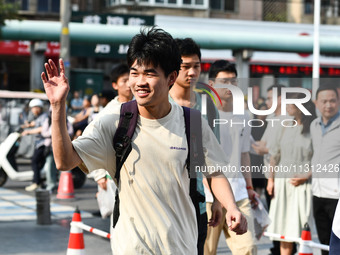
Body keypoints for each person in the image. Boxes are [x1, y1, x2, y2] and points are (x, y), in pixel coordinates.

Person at [41, 27, 247, 254]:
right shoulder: (113, 123)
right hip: (132, 248)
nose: (140, 82)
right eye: (134, 73)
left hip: (180, 247)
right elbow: (64, 161)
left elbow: (215, 172)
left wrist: (230, 207)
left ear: (170, 78)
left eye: (149, 74)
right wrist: (57, 106)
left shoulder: (192, 123)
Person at [169, 38, 222, 255]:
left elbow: (214, 159)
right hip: (164, 205)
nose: (192, 72)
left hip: (196, 205)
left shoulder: (208, 107)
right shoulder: (159, 104)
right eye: (185, 67)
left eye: (196, 66)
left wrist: (218, 201)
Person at [204, 59, 258, 255]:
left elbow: (244, 154)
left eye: (234, 81)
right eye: (224, 81)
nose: (230, 86)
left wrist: (250, 188)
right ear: (211, 84)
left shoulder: (244, 115)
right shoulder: (202, 115)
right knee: (205, 251)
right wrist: (211, 194)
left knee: (248, 249)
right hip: (209, 197)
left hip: (239, 194)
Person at [267, 93, 316, 255]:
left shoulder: (314, 127)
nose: (287, 107)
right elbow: (275, 155)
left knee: (303, 230)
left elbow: (319, 159)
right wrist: (271, 180)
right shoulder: (283, 125)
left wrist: (306, 176)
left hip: (303, 184)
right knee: (284, 230)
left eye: (291, 104)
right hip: (282, 182)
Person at [93, 62, 133, 250]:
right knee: (120, 222)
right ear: (115, 85)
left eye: (130, 79)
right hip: (115, 174)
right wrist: (99, 174)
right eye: (124, 80)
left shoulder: (144, 105)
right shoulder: (109, 112)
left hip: (139, 173)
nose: (129, 84)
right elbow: (96, 142)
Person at [310, 86, 340, 255]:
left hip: (337, 196)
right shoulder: (314, 125)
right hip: (318, 193)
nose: (328, 105)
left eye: (332, 100)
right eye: (324, 101)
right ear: (316, 103)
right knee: (323, 242)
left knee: (337, 244)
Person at [22, 99, 48, 191]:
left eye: (35, 108)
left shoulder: (44, 116)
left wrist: (29, 131)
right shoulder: (38, 117)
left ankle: (36, 182)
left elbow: (42, 128)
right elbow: (34, 123)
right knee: (38, 163)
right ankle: (40, 181)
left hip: (43, 143)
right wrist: (27, 126)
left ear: (39, 108)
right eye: (32, 108)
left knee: (35, 162)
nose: (33, 110)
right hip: (38, 143)